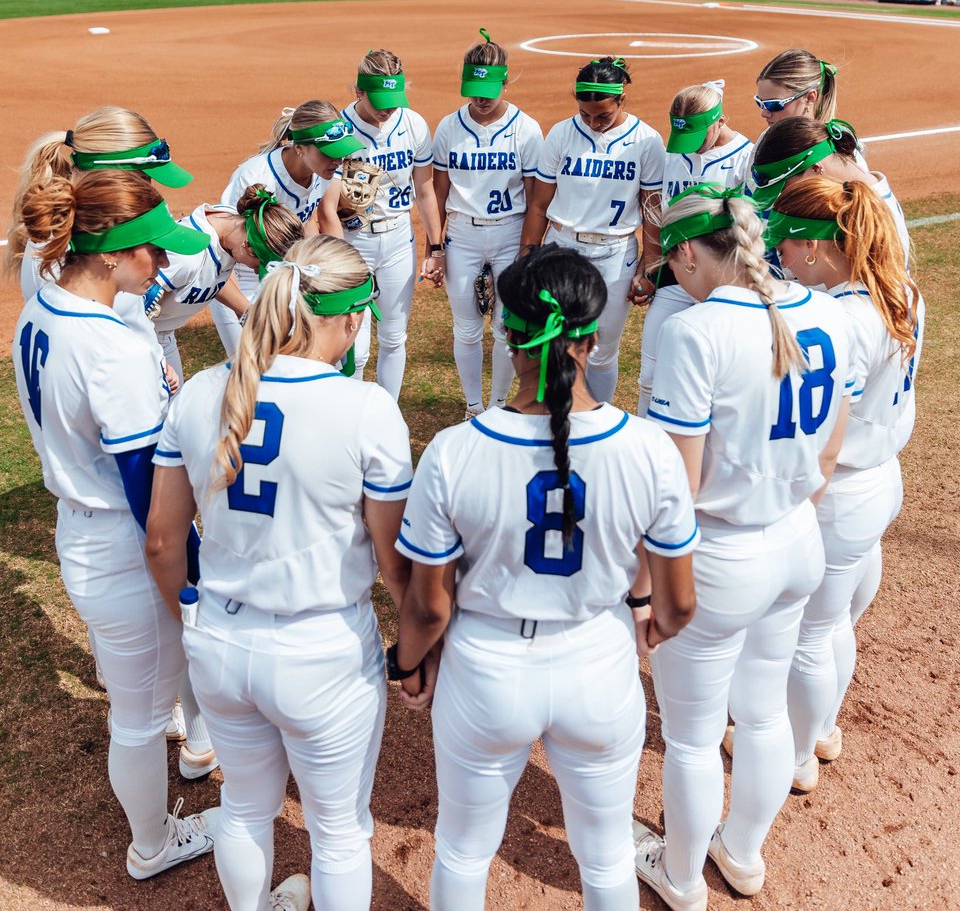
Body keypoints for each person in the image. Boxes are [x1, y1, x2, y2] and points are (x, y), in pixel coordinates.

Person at [394, 244, 699, 911]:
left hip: (486, 667)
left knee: (464, 851)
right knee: (607, 856)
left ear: (508, 336)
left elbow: (426, 609)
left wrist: (409, 665)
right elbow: (678, 608)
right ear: (593, 337)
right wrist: (639, 625)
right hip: (597, 657)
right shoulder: (649, 448)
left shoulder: (455, 450)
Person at [146, 236, 414, 911]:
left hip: (220, 640)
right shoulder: (367, 408)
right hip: (322, 651)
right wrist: (418, 637)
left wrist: (189, 616)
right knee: (340, 832)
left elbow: (161, 541)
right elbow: (394, 562)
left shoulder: (205, 389)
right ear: (352, 318)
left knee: (242, 808)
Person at [634, 183, 853, 910]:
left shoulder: (694, 332)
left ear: (692, 251)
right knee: (762, 713)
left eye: (673, 260)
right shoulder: (824, 310)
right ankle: (744, 855)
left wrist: (648, 582)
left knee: (695, 738)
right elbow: (833, 445)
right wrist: (792, 510)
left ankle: (682, 877)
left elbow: (678, 485)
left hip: (720, 555)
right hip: (797, 540)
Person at [12, 170, 219, 880]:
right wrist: (187, 585)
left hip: (82, 532)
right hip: (128, 548)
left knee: (134, 701)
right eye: (151, 252)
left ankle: (162, 816)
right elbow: (148, 496)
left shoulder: (39, 307)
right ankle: (153, 846)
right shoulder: (113, 350)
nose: (162, 264)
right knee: (136, 716)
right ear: (107, 254)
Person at [765, 177, 923, 791]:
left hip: (842, 492)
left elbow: (826, 433)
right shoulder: (901, 289)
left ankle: (799, 755)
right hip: (884, 478)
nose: (780, 256)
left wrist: (806, 505)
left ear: (813, 248)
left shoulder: (840, 317)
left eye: (786, 245)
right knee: (834, 625)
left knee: (811, 634)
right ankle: (823, 727)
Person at [520, 56, 665, 403]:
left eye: (603, 114)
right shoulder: (561, 133)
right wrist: (527, 255)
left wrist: (650, 264)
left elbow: (652, 210)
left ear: (622, 100)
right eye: (585, 114)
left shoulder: (646, 141)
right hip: (562, 246)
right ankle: (557, 418)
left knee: (602, 350)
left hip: (615, 253)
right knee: (555, 340)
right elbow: (539, 204)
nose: (594, 122)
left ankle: (596, 420)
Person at [431, 29, 543, 416]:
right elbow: (439, 192)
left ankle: (498, 406)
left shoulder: (526, 129)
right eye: (472, 89)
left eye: (489, 89)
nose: (479, 98)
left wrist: (529, 250)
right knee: (466, 328)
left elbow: (535, 199)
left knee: (503, 328)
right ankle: (473, 407)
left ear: (506, 82)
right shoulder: (449, 126)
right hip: (462, 234)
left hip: (510, 231)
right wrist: (435, 247)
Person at [324, 49, 446, 400]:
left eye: (394, 99)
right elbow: (325, 204)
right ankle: (350, 419)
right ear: (359, 92)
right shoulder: (340, 130)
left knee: (394, 337)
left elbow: (424, 190)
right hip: (353, 242)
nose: (387, 108)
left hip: (397, 240)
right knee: (354, 347)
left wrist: (435, 247)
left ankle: (387, 416)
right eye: (379, 99)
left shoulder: (413, 124)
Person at [6, 106, 193, 323]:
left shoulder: (87, 227)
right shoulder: (64, 245)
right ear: (108, 173)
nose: (149, 191)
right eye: (144, 179)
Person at [210, 100, 364, 357]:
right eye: (329, 153)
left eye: (341, 153)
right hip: (239, 278)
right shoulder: (256, 177)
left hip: (286, 276)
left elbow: (308, 222)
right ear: (301, 148)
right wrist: (246, 310)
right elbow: (219, 249)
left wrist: (332, 272)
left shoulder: (325, 174)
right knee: (249, 369)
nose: (338, 161)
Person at [637, 80, 752, 415]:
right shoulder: (675, 155)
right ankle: (648, 441)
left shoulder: (746, 157)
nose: (691, 147)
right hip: (676, 275)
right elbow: (658, 211)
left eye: (696, 137)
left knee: (720, 377)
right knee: (649, 375)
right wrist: (651, 269)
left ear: (720, 120)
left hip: (724, 280)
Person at [149, 187, 303, 383]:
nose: (256, 272)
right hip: (139, 338)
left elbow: (214, 273)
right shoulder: (188, 257)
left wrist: (248, 313)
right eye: (259, 265)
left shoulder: (236, 225)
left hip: (162, 336)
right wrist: (157, 360)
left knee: (170, 407)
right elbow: (132, 309)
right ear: (248, 247)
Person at [750, 117, 909, 261]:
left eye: (784, 188)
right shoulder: (857, 197)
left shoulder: (864, 214)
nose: (784, 199)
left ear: (815, 168)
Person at [753, 49, 839, 130]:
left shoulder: (817, 145)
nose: (763, 114)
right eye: (759, 103)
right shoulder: (773, 135)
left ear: (810, 98)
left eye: (773, 105)